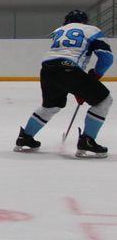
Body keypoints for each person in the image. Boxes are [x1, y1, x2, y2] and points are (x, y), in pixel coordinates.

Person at [15, 10, 113, 157]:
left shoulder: (59, 31)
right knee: (104, 101)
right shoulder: (91, 30)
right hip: (69, 69)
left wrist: (82, 87)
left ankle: (25, 137)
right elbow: (106, 58)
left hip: (47, 70)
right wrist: (96, 75)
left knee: (50, 106)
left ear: (66, 21)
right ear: (85, 22)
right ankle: (88, 140)